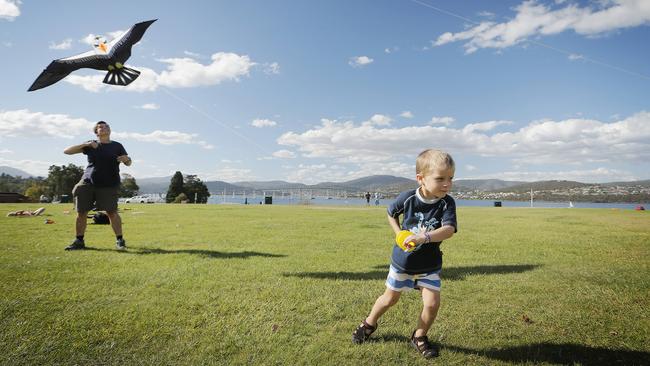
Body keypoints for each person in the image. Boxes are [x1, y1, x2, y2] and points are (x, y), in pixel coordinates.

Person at [351, 149, 457, 359]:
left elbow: (449, 230)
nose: (447, 184)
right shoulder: (407, 198)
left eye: (451, 178)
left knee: (432, 303)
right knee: (390, 299)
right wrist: (399, 233)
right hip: (403, 263)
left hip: (429, 264)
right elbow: (391, 213)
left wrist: (422, 238)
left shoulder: (447, 202)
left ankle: (419, 336)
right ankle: (369, 323)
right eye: (440, 178)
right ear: (421, 179)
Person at [63, 121, 132, 251]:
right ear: (96, 132)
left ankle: (120, 240)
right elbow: (67, 151)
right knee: (81, 212)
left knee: (112, 212)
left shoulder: (117, 146)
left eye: (107, 127)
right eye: (101, 127)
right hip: (87, 182)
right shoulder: (90, 144)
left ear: (110, 131)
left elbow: (128, 162)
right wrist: (86, 144)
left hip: (109, 184)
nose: (104, 128)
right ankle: (79, 241)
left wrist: (126, 159)